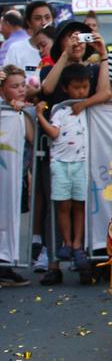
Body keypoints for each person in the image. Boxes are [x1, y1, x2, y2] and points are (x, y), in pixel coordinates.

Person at [35, 62, 95, 280]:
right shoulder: (60, 110)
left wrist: (87, 100)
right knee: (63, 206)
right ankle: (67, 243)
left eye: (85, 86)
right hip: (60, 163)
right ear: (66, 88)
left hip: (81, 163)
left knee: (80, 205)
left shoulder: (89, 109)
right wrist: (41, 116)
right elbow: (53, 133)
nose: (81, 91)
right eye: (77, 87)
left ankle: (78, 243)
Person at [0, 65, 33, 286]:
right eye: (14, 86)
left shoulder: (19, 110)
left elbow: (31, 136)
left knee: (10, 212)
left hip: (15, 173)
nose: (21, 90)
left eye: (23, 85)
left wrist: (28, 111)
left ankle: (6, 262)